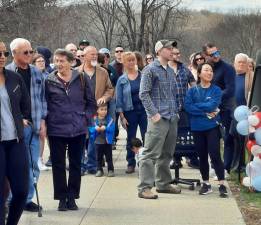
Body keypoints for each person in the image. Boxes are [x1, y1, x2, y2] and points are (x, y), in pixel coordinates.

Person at [45, 49, 96, 211]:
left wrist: (85, 118)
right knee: (58, 165)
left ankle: (72, 197)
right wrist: (46, 124)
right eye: (56, 61)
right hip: (56, 130)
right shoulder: (49, 81)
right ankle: (61, 198)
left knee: (75, 164)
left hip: (77, 129)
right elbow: (44, 104)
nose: (59, 64)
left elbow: (91, 102)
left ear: (71, 62)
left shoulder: (81, 78)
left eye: (62, 61)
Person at [6, 38, 47, 212]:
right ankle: (12, 199)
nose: (30, 55)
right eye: (26, 52)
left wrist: (44, 120)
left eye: (31, 51)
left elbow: (43, 98)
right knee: (16, 165)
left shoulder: (37, 72)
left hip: (36, 124)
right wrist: (18, 117)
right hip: (15, 128)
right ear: (14, 54)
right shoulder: (6, 73)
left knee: (34, 164)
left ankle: (28, 199)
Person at [138, 40, 181, 199]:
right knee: (150, 154)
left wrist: (175, 112)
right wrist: (154, 114)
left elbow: (172, 95)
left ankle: (163, 184)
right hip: (158, 118)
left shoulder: (170, 70)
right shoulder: (150, 70)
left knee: (167, 153)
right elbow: (143, 94)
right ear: (159, 51)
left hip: (171, 117)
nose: (172, 51)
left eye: (172, 48)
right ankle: (144, 188)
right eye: (168, 48)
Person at [184, 62, 228, 198]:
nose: (210, 73)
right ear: (199, 73)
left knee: (214, 154)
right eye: (206, 70)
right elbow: (188, 107)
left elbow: (213, 105)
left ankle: (221, 183)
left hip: (212, 127)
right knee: (202, 156)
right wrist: (204, 112)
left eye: (211, 71)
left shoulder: (216, 90)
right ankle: (206, 183)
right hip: (197, 128)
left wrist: (200, 107)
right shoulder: (192, 91)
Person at [0, 41, 31, 225]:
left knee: (21, 191)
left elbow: (26, 106)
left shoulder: (14, 78)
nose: (2, 57)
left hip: (16, 141)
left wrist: (25, 119)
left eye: (4, 54)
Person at [79, 46, 114, 175]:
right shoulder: (77, 72)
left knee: (94, 139)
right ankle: (81, 166)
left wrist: (104, 98)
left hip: (97, 112)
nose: (94, 57)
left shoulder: (103, 72)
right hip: (81, 111)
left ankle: (92, 165)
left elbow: (110, 89)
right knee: (81, 139)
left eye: (96, 54)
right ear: (84, 56)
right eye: (92, 54)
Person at [202, 43, 236, 176]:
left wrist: (214, 97)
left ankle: (226, 168)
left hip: (225, 108)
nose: (216, 56)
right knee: (212, 139)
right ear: (206, 55)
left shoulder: (227, 68)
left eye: (217, 52)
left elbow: (230, 89)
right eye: (212, 54)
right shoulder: (206, 68)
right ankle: (214, 165)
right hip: (210, 109)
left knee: (227, 138)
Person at [168, 44, 199, 169]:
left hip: (184, 108)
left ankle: (192, 158)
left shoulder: (184, 69)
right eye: (175, 53)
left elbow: (193, 85)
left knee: (187, 133)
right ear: (170, 54)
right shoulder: (164, 70)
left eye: (179, 53)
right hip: (170, 109)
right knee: (173, 135)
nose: (178, 55)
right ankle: (176, 159)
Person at [116, 52, 147, 174]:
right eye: (128, 60)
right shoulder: (122, 80)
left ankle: (146, 162)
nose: (131, 62)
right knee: (131, 138)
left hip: (144, 111)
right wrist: (122, 117)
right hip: (130, 112)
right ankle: (130, 163)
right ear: (124, 62)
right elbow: (119, 100)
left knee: (147, 137)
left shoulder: (143, 76)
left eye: (133, 60)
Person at [32, 53, 50, 171]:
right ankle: (36, 159)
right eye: (39, 61)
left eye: (43, 61)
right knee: (39, 135)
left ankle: (41, 159)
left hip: (49, 108)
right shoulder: (32, 75)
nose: (41, 63)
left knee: (45, 135)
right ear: (33, 64)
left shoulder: (49, 75)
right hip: (37, 110)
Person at [88, 104, 115, 177]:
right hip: (98, 142)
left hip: (107, 142)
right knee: (98, 157)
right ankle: (99, 170)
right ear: (97, 110)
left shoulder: (110, 119)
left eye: (105, 109)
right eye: (102, 109)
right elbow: (90, 129)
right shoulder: (94, 120)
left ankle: (111, 170)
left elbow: (112, 129)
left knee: (109, 157)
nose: (104, 111)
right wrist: (95, 129)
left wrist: (105, 128)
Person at [110, 45, 124, 142]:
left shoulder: (127, 64)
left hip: (126, 96)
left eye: (121, 51)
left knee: (126, 119)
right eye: (117, 51)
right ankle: (114, 138)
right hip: (115, 96)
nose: (119, 53)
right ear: (114, 54)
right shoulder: (111, 66)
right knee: (114, 118)